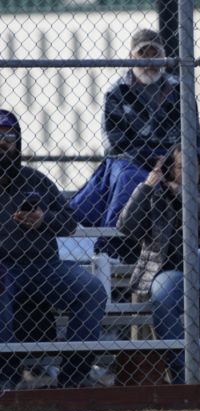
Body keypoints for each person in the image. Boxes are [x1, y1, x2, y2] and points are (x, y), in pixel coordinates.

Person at [68, 28, 200, 336]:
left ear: (165, 56)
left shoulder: (179, 89)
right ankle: (119, 242)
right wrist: (156, 161)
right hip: (130, 159)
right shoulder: (116, 93)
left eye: (155, 52)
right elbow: (115, 142)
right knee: (128, 179)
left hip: (174, 157)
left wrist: (171, 160)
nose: (150, 59)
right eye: (143, 53)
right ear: (131, 57)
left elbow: (192, 138)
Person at [117, 144, 200, 384]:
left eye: (194, 166)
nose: (189, 171)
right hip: (171, 271)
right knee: (161, 294)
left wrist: (180, 192)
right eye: (180, 166)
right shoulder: (154, 196)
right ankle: (180, 371)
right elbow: (126, 226)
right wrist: (146, 187)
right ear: (168, 170)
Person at [0, 109, 108, 390]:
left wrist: (42, 220)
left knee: (91, 290)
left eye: (9, 136)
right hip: (3, 269)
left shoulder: (35, 180)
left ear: (18, 141)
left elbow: (70, 222)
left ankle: (73, 377)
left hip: (44, 267)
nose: (3, 142)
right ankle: (7, 380)